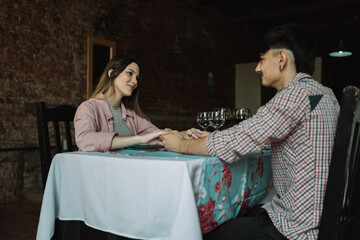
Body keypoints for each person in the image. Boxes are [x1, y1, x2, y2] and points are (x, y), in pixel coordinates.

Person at [160, 23, 340, 240]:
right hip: (323, 216)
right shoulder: (324, 95)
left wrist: (181, 145)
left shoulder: (295, 95)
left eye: (262, 59)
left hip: (297, 227)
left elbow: (238, 140)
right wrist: (212, 136)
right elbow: (277, 136)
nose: (257, 68)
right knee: (247, 210)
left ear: (281, 58)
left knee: (205, 231)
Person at [74, 55, 167, 152]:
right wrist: (139, 139)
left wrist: (181, 135)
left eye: (137, 78)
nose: (135, 81)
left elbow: (156, 133)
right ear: (111, 73)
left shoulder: (131, 113)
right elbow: (84, 140)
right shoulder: (88, 108)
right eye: (130, 73)